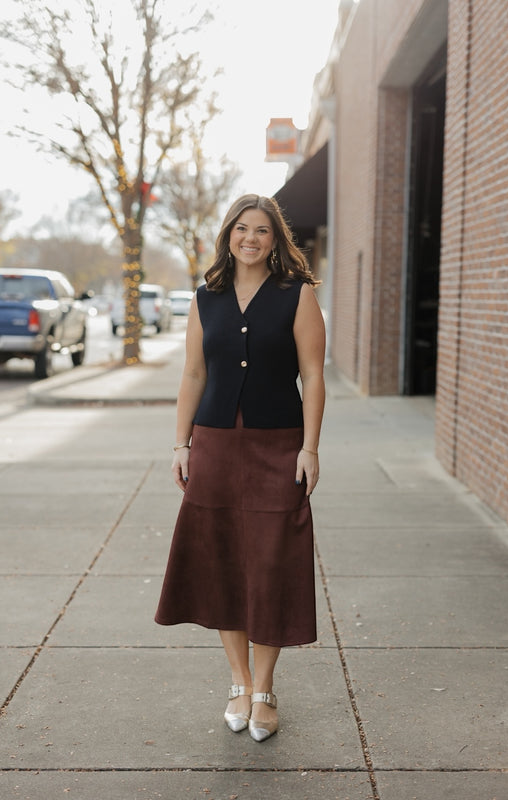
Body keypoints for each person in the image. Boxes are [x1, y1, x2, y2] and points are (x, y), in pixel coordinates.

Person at [155, 194, 326, 742]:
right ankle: (238, 680)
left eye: (262, 231)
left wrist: (310, 448)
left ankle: (265, 689)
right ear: (228, 234)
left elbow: (313, 375)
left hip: (279, 445)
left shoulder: (297, 296)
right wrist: (181, 444)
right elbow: (193, 375)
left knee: (273, 562)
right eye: (242, 229)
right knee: (224, 558)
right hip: (215, 444)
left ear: (276, 241)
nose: (250, 238)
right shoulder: (206, 299)